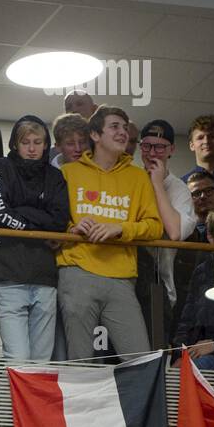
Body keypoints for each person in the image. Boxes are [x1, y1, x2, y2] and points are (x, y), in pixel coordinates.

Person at [57, 104, 163, 361]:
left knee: (140, 361)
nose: (122, 133)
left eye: (125, 128)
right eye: (114, 126)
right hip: (77, 273)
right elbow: (51, 222)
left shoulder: (138, 177)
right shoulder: (67, 173)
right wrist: (72, 228)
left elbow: (154, 226)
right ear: (95, 135)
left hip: (122, 279)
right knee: (79, 360)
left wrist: (121, 229)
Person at [0, 115, 70, 364]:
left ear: (45, 145)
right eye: (25, 142)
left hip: (45, 279)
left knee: (41, 361)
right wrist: (36, 223)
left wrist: (21, 214)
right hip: (8, 277)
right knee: (17, 358)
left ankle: (33, 406)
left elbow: (59, 221)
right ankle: (13, 405)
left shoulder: (55, 177)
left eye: (37, 142)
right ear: (15, 145)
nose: (31, 149)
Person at [135, 120, 196, 343]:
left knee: (154, 358)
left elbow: (175, 232)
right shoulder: (131, 179)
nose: (152, 153)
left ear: (171, 149)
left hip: (158, 287)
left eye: (159, 147)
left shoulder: (179, 188)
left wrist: (157, 184)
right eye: (146, 146)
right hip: (124, 279)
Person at [174, 203, 214, 371]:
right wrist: (180, 355)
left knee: (196, 368)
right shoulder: (202, 271)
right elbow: (187, 320)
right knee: (170, 371)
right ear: (210, 237)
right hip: (200, 353)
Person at [171, 169, 214, 338]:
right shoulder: (178, 232)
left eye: (209, 191)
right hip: (184, 303)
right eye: (196, 193)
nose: (203, 196)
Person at [181, 114, 214, 199]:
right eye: (200, 138)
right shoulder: (182, 185)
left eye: (211, 136)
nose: (206, 141)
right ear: (192, 145)